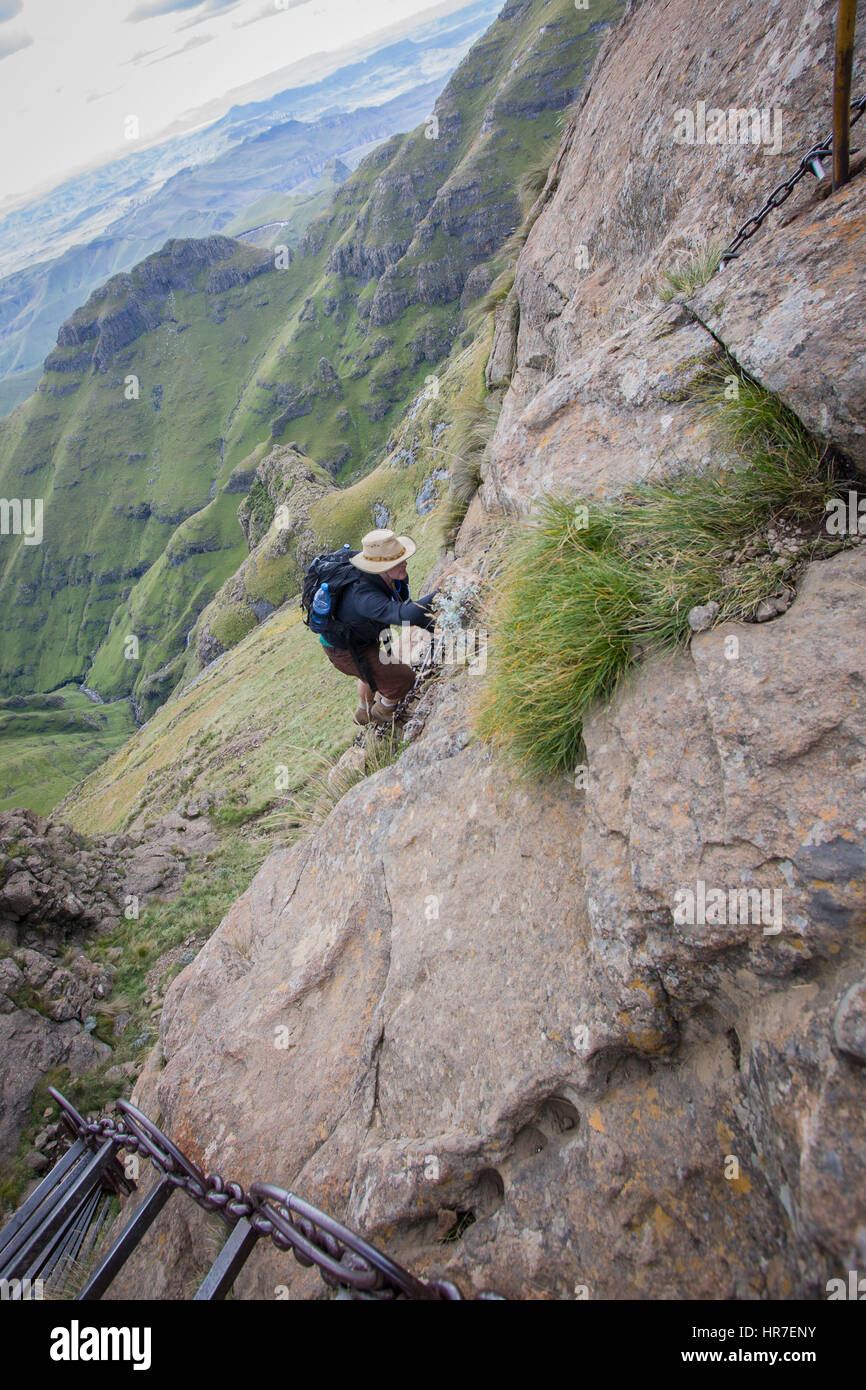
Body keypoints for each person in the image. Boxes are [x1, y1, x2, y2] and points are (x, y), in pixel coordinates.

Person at [320, 528, 437, 725]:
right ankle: (383, 711)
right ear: (381, 567)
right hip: (344, 650)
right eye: (398, 560)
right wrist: (440, 594)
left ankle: (363, 712)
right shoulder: (363, 596)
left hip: (359, 636)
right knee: (404, 678)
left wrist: (431, 625)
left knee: (369, 673)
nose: (405, 562)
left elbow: (406, 607)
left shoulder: (393, 579)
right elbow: (405, 614)